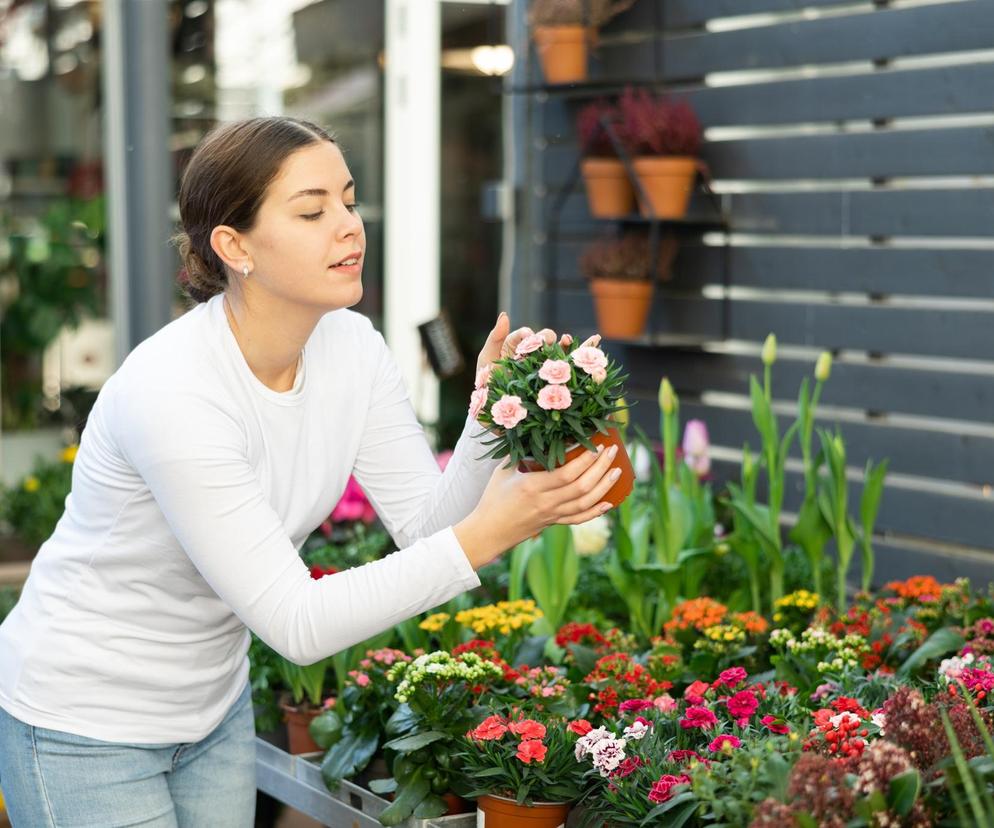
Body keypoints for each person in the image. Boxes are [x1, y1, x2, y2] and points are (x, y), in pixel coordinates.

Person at [0, 117, 622, 827]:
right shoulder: (174, 392)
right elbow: (296, 622)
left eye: (349, 201)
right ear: (234, 247)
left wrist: (491, 416)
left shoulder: (351, 347)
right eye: (311, 210)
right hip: (85, 723)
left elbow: (427, 523)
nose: (350, 227)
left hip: (212, 713)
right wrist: (487, 536)